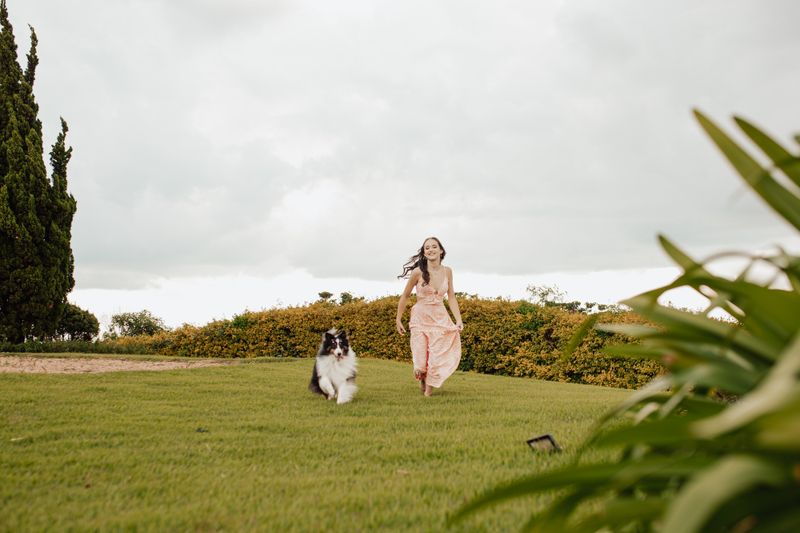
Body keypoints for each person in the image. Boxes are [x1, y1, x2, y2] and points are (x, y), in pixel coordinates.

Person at [396, 237, 463, 396]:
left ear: (441, 251)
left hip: (440, 319)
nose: (431, 250)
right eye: (427, 248)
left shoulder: (448, 271)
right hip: (420, 319)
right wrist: (398, 319)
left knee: (435, 357)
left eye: (434, 247)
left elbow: (451, 296)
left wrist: (458, 319)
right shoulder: (418, 272)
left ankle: (428, 392)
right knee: (420, 362)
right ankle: (422, 378)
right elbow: (405, 296)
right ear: (424, 253)